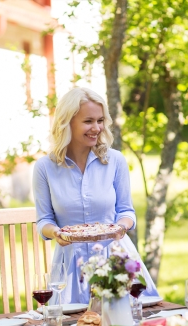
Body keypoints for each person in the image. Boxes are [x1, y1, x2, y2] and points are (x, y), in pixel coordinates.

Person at [33, 87, 159, 304]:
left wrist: (120, 227)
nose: (97, 128)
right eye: (88, 121)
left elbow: (127, 211)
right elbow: (44, 219)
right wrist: (56, 233)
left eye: (100, 120)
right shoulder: (45, 167)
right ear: (67, 122)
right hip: (70, 265)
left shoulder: (115, 161)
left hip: (115, 262)